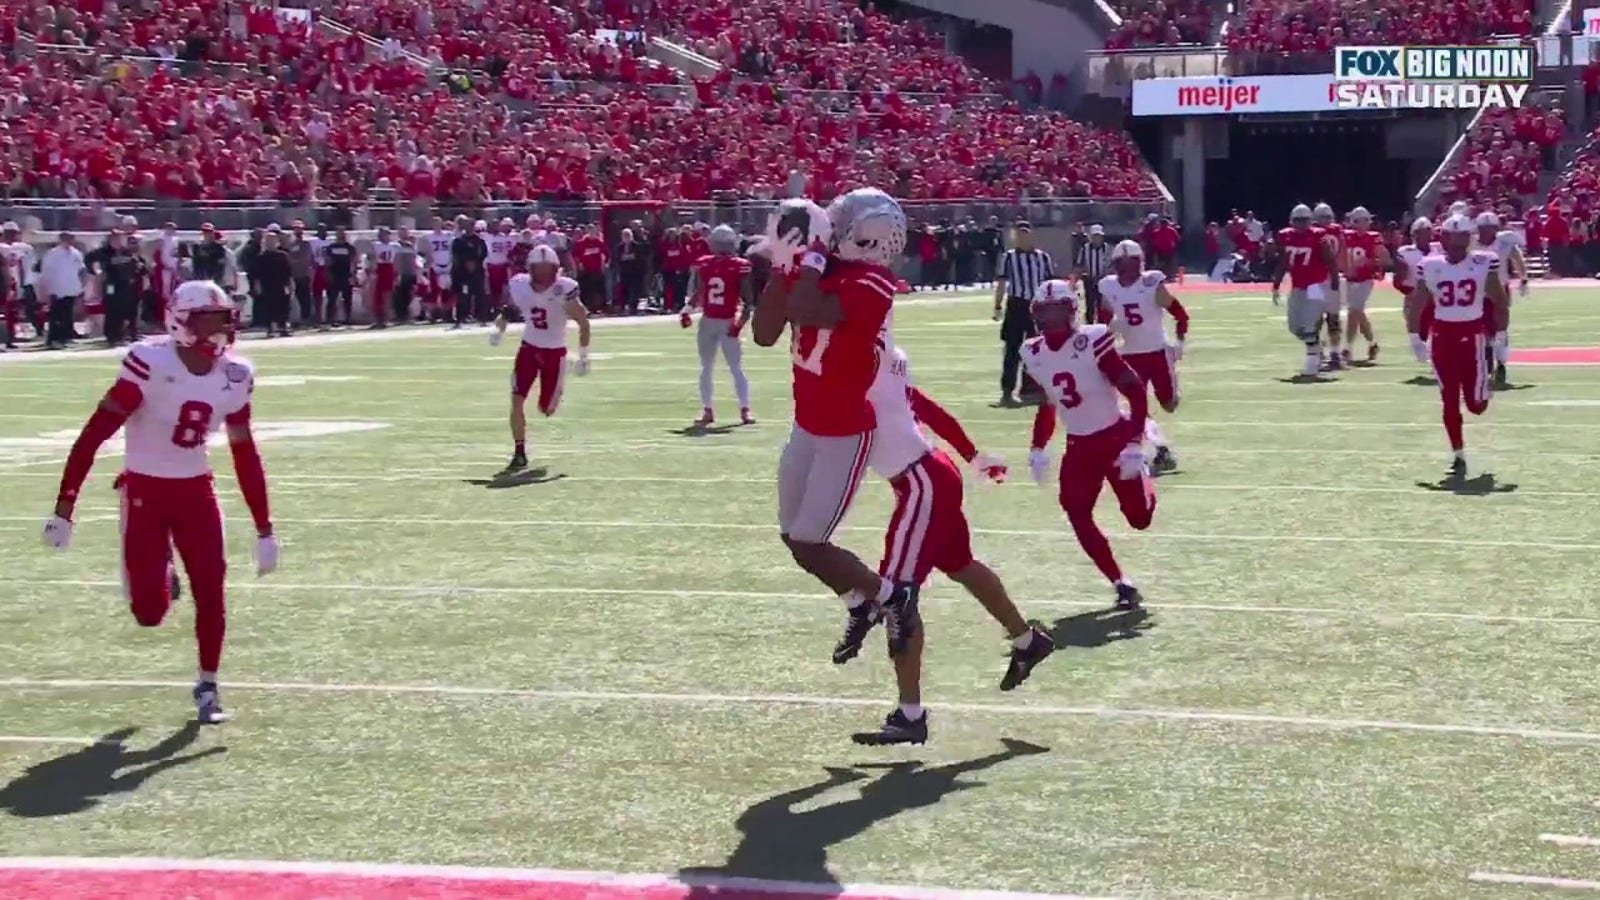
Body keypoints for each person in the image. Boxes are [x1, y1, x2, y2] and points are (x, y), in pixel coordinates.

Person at [43, 280, 279, 725]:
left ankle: (208, 684)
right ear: (181, 322)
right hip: (146, 492)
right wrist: (65, 505)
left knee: (212, 589)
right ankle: (160, 571)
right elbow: (94, 434)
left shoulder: (236, 375)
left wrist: (264, 527)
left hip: (196, 490)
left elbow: (245, 451)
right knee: (149, 614)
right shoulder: (150, 364)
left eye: (222, 320)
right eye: (207, 321)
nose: (218, 331)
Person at [849, 341, 1055, 746]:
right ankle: (1028, 641)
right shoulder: (882, 355)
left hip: (920, 482)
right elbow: (927, 408)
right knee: (961, 565)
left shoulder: (861, 356)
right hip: (933, 474)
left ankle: (910, 715)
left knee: (897, 597)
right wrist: (972, 455)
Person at [751, 190, 916, 664]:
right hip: (807, 425)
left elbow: (805, 310)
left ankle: (891, 596)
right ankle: (859, 603)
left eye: (841, 220)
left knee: (809, 540)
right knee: (792, 536)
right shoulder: (823, 273)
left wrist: (809, 260)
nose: (831, 225)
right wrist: (783, 265)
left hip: (845, 431)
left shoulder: (873, 283)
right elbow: (764, 334)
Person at [1022, 278, 1156, 612]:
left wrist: (1135, 441)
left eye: (1057, 313)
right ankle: (1119, 581)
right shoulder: (1033, 352)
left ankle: (1145, 470)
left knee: (1139, 519)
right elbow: (1050, 403)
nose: (1051, 320)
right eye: (1045, 313)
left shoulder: (1092, 340)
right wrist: (1038, 446)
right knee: (1076, 511)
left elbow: (1134, 388)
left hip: (1113, 437)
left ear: (1072, 312)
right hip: (1079, 445)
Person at [1406, 214, 1509, 479]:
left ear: (1469, 237)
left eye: (1462, 236)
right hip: (1442, 336)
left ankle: (1483, 388)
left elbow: (1499, 300)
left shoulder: (1483, 262)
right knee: (1448, 398)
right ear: (1444, 237)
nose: (1457, 243)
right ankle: (1458, 453)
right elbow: (1418, 302)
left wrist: (1500, 336)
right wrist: (1415, 336)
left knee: (1476, 405)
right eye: (1453, 237)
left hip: (1472, 334)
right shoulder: (1429, 265)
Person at [490, 245, 591, 470]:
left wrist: (584, 356)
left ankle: (567, 368)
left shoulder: (564, 289)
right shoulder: (520, 285)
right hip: (529, 347)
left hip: (555, 352)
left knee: (546, 409)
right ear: (531, 268)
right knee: (516, 399)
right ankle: (519, 451)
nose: (544, 273)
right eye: (540, 268)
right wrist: (499, 329)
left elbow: (583, 321)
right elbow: (508, 310)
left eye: (548, 268)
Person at [1098, 240, 1188, 472]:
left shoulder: (1152, 283)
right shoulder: (1109, 287)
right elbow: (1101, 322)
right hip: (1128, 355)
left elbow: (1180, 314)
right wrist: (1107, 333)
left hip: (1157, 352)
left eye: (1131, 262)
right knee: (1137, 406)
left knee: (1169, 404)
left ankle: (1160, 445)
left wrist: (1179, 342)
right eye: (1123, 263)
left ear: (1139, 263)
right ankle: (1160, 447)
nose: (1127, 268)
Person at [681, 224, 755, 428]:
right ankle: (741, 409)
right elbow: (748, 302)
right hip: (720, 319)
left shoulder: (708, 264)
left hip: (717, 320)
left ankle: (726, 409)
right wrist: (739, 323)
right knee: (730, 368)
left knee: (712, 368)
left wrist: (686, 311)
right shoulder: (734, 264)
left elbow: (698, 293)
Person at [1271, 204, 1341, 376]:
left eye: (1305, 220)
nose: (1301, 224)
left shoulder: (1318, 236)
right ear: (1291, 221)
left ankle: (1312, 365)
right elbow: (1283, 262)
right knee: (1295, 327)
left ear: (1311, 221)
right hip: (1297, 286)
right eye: (1298, 220)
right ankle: (1316, 347)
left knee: (1309, 325)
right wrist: (1276, 284)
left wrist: (1335, 284)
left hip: (1316, 285)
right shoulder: (1285, 236)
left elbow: (1331, 261)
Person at [993, 221, 1052, 406]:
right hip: (1016, 305)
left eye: (1025, 233)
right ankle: (1007, 390)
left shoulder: (1043, 258)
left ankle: (1030, 388)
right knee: (1012, 349)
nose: (1022, 237)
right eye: (1018, 234)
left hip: (1037, 307)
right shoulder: (1008, 257)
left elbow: (1049, 285)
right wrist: (997, 305)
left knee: (1036, 349)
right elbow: (1002, 283)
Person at [1472, 211, 1528, 388]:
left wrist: (1523, 277)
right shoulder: (1471, 244)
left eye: (1489, 228)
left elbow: (1517, 258)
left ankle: (1501, 363)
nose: (1486, 232)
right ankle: (1487, 353)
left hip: (1500, 289)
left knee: (1501, 329)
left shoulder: (1504, 243)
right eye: (1483, 228)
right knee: (1482, 328)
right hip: (1479, 291)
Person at [1340, 207, 1390, 364]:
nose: (1366, 224)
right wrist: (1346, 267)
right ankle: (1372, 343)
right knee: (1357, 312)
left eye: (1367, 220)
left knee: (1353, 311)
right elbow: (1338, 253)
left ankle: (1347, 348)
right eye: (1362, 221)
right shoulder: (1345, 236)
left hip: (1365, 280)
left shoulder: (1374, 237)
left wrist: (1367, 262)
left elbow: (1383, 259)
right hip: (1349, 280)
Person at [86, 231, 148, 347]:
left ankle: (122, 334)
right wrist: (94, 272)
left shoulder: (126, 252)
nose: (118, 241)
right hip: (111, 285)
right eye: (116, 239)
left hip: (124, 285)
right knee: (111, 308)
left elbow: (136, 265)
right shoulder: (104, 252)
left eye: (120, 239)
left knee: (124, 309)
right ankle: (111, 336)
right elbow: (88, 258)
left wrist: (137, 271)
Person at [40, 231, 87, 350]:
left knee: (68, 315)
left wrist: (81, 286)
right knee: (56, 316)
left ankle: (66, 337)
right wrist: (46, 289)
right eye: (67, 238)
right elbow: (46, 272)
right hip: (57, 289)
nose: (69, 241)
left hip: (71, 288)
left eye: (71, 238)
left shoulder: (76, 253)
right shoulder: (53, 253)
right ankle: (53, 340)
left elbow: (81, 270)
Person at [1, 221, 39, 348]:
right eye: (7, 233)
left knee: (15, 312)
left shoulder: (24, 248)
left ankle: (10, 339)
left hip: (15, 283)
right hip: (6, 283)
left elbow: (28, 267)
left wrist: (22, 283)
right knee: (8, 312)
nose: (10, 235)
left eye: (13, 232)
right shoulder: (4, 248)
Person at [451, 220, 489, 327]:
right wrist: (465, 264)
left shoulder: (479, 241)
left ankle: (481, 318)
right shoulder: (458, 241)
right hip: (463, 274)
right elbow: (456, 256)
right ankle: (460, 319)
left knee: (479, 295)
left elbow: (483, 254)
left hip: (477, 273)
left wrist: (475, 263)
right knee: (463, 296)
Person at [255, 232, 293, 337]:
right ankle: (270, 328)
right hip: (267, 285)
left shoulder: (283, 256)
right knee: (268, 306)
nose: (270, 243)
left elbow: (288, 272)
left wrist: (290, 285)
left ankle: (283, 327)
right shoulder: (261, 257)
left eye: (272, 240)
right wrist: (257, 285)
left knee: (284, 306)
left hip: (281, 285)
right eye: (268, 241)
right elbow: (257, 274)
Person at [323, 227, 357, 327]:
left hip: (346, 275)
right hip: (334, 275)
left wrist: (353, 274)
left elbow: (354, 261)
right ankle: (330, 319)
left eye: (342, 233)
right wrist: (328, 273)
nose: (341, 234)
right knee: (332, 298)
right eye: (339, 233)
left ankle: (348, 318)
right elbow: (327, 260)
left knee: (347, 298)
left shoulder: (350, 247)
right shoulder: (331, 247)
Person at [425, 218, 456, 322]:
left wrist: (450, 264)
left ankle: (448, 313)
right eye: (434, 223)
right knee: (434, 290)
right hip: (435, 265)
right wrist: (433, 264)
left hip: (447, 264)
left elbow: (452, 251)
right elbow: (427, 252)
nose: (436, 225)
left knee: (448, 291)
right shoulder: (428, 237)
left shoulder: (448, 236)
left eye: (438, 223)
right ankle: (433, 314)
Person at [369, 227, 401, 328]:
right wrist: (372, 272)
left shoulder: (395, 246)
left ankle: (386, 319)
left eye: (387, 234)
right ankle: (377, 319)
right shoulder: (376, 245)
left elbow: (396, 260)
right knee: (376, 296)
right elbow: (373, 258)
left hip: (389, 269)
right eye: (383, 234)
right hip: (379, 268)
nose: (385, 236)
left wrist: (397, 274)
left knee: (387, 296)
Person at [486, 218, 516, 309]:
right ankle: (491, 308)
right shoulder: (485, 236)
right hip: (491, 266)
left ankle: (500, 308)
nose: (495, 227)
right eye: (493, 224)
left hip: (502, 266)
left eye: (496, 224)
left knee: (502, 289)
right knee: (491, 289)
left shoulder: (505, 237)